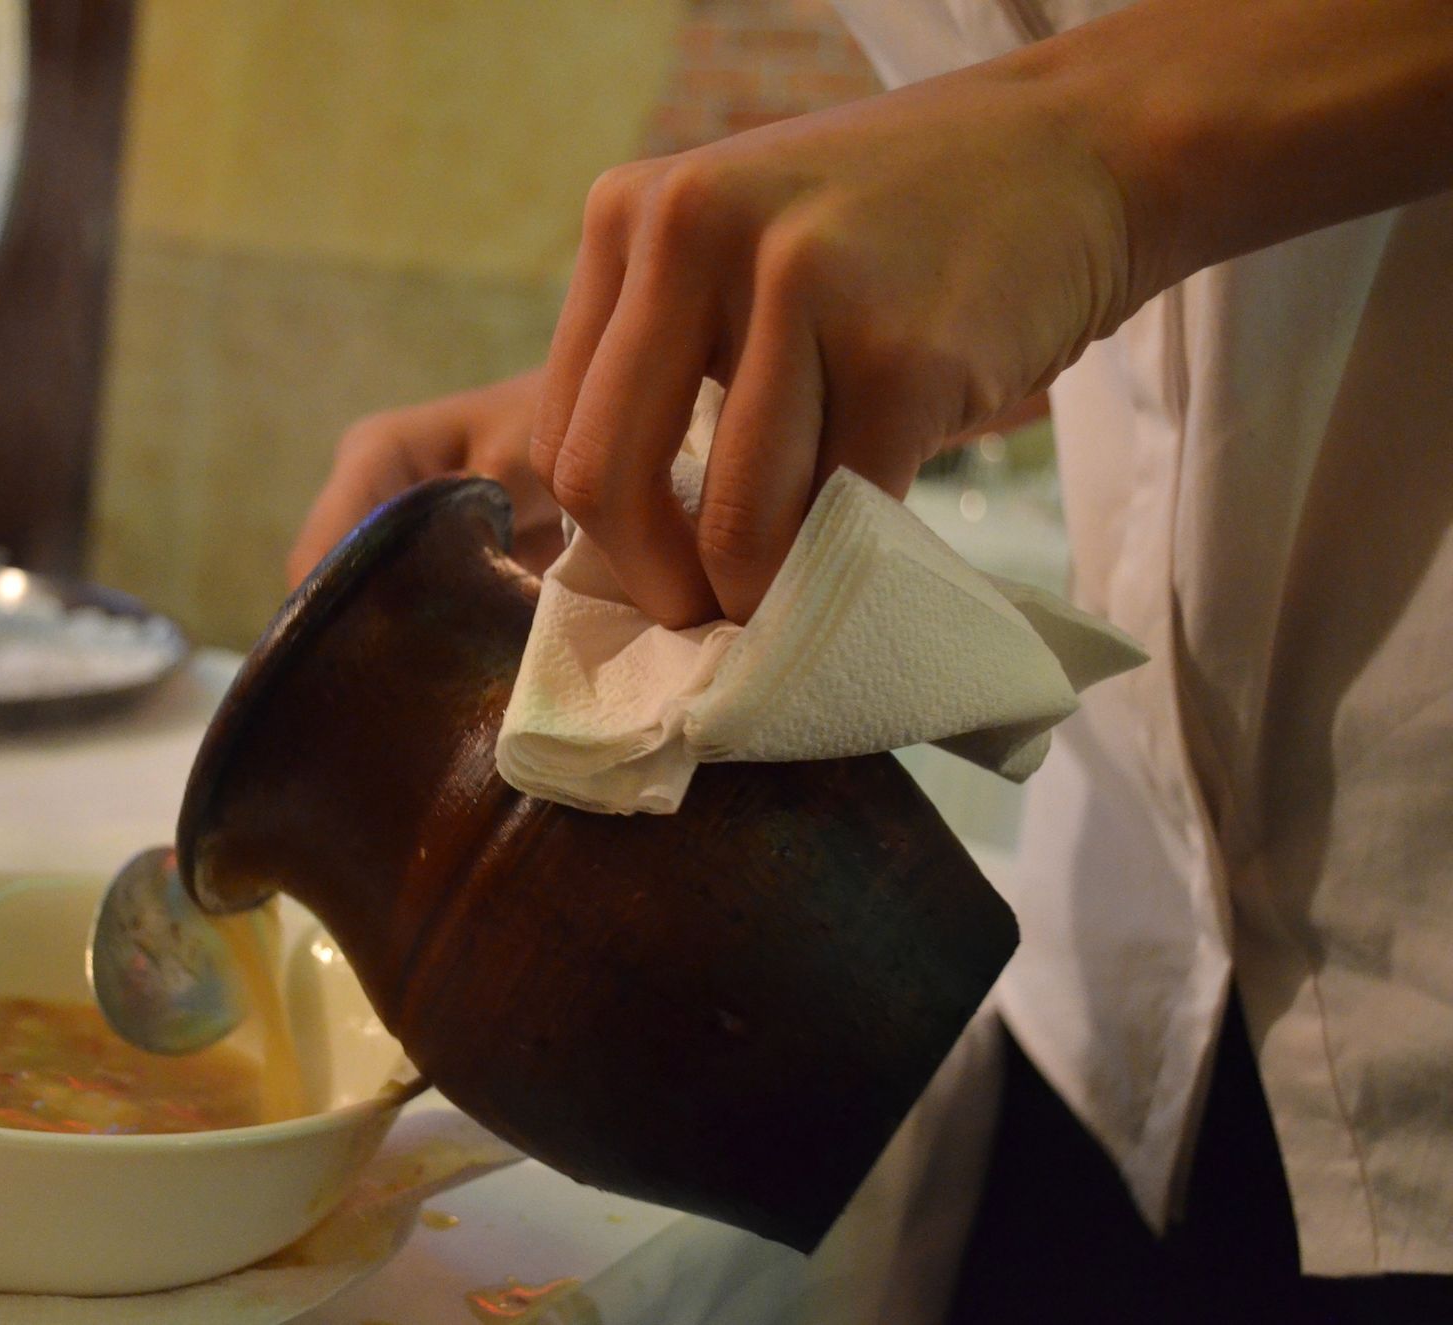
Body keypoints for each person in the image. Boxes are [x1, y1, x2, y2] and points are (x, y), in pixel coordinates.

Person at [286, 0, 1453, 1319]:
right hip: (1110, 1017)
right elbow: (1183, 314)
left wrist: (1095, 145)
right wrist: (716, 402)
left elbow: (1107, 176)